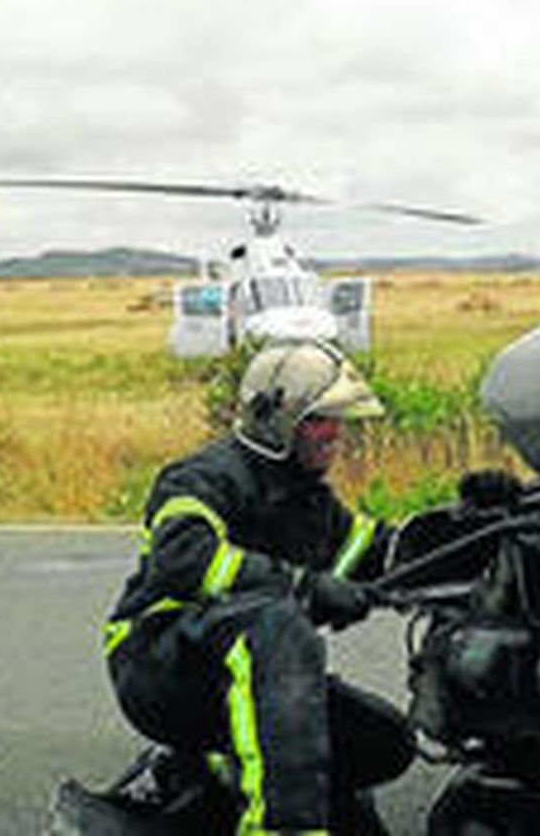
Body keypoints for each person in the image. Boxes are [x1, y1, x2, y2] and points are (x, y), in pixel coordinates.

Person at [102, 339, 414, 835]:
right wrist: (303, 586)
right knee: (277, 624)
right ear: (275, 420)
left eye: (338, 419)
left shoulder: (311, 501)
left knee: (383, 741)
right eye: (319, 419)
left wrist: (468, 526)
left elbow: (380, 552)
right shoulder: (201, 478)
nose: (335, 432)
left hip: (252, 668)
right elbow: (184, 559)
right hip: (160, 664)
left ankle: (205, 780)